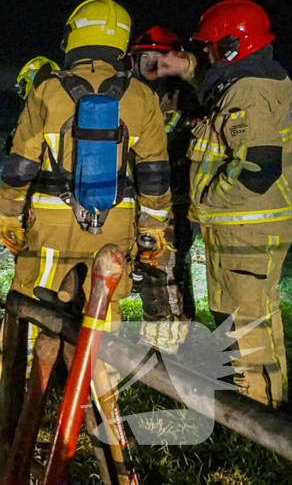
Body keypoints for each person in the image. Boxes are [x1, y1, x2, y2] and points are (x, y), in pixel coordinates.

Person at [0, 0, 171, 439]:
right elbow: (153, 173)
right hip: (114, 227)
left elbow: (21, 163)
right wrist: (152, 229)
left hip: (52, 223)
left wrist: (9, 214)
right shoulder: (142, 96)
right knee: (102, 311)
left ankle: (11, 382)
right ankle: (100, 404)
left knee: (32, 301)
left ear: (75, 35)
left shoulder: (48, 90)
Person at [158, 0, 292, 407]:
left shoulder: (248, 92)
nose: (205, 52)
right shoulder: (260, 78)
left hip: (246, 224)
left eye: (211, 46)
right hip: (252, 223)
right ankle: (263, 398)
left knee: (245, 319)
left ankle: (257, 411)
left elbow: (258, 169)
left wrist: (207, 200)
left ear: (234, 45)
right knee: (250, 313)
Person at [129, 26, 200, 346]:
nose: (153, 66)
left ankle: (171, 341)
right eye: (146, 60)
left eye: (159, 59)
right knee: (152, 262)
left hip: (176, 195)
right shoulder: (134, 94)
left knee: (166, 265)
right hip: (146, 194)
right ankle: (167, 334)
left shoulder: (186, 95)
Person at [5, 56, 59, 156]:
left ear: (31, 80)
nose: (21, 92)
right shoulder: (63, 101)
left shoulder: (36, 106)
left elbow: (26, 147)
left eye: (22, 84)